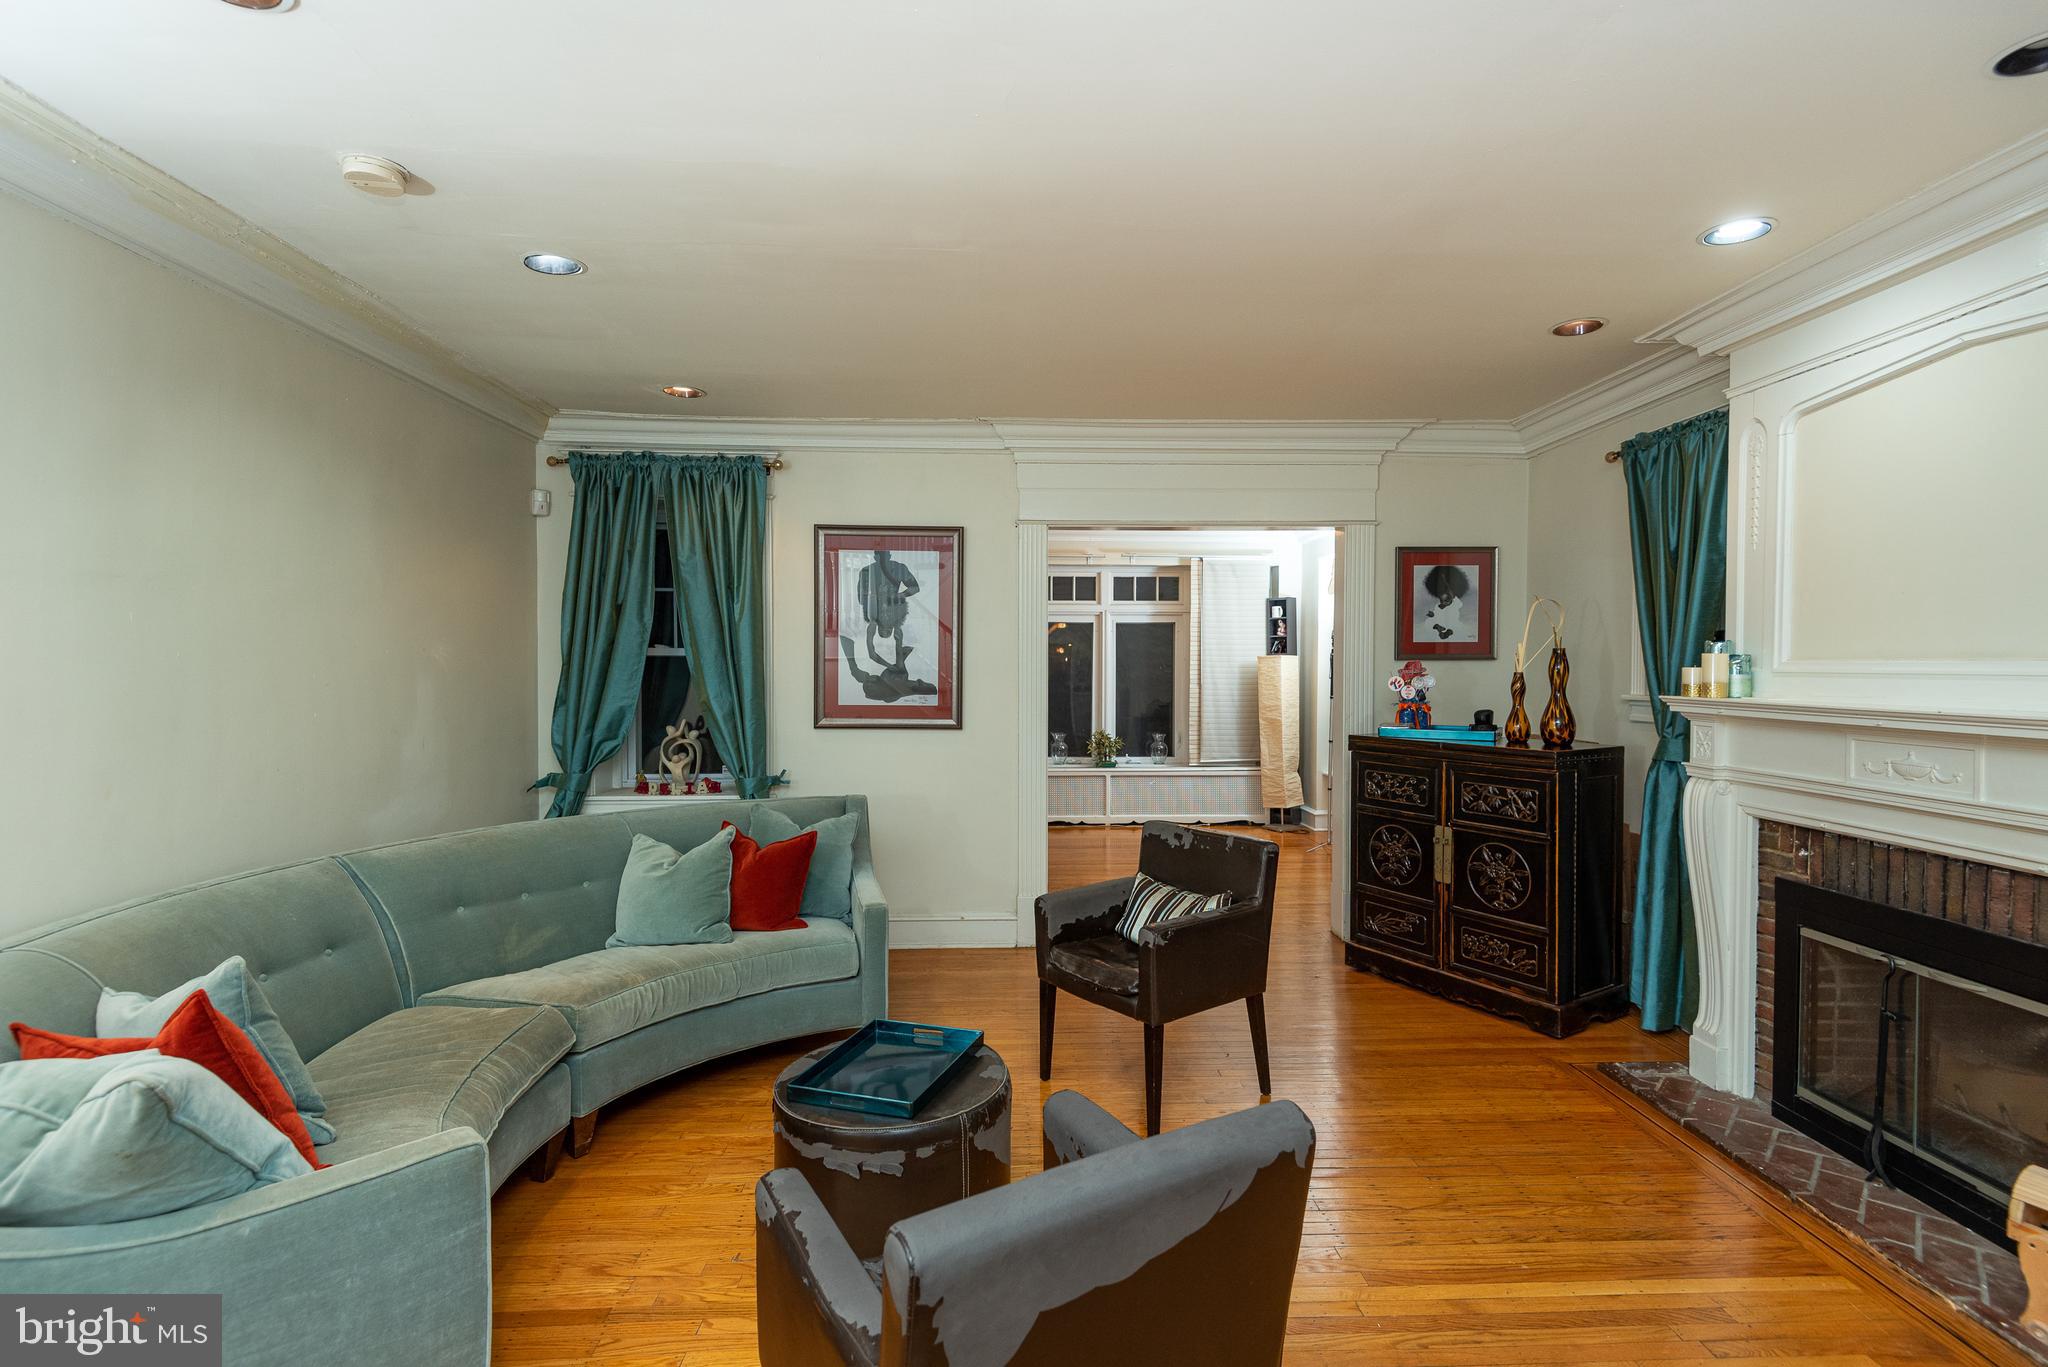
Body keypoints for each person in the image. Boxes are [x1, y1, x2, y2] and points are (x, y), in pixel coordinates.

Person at [857, 549, 921, 666]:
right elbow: (915, 588)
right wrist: (897, 596)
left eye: (883, 629)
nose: (886, 626)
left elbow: (861, 599)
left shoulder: (866, 571)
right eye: (889, 629)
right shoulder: (867, 571)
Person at [1420, 564, 1474, 642]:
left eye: (1447, 599)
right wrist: (1432, 614)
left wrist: (1445, 581)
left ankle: (1447, 631)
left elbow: (1450, 594)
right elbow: (1436, 614)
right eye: (1443, 600)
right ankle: (1441, 630)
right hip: (1441, 623)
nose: (1445, 601)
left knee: (1454, 625)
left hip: (1451, 622)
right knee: (1429, 622)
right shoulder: (1439, 606)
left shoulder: (1456, 603)